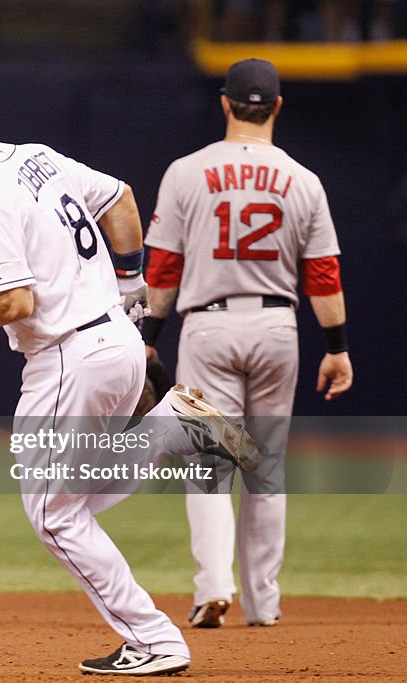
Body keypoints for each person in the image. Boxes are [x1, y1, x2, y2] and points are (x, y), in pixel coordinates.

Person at [0, 67, 261, 676]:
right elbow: (123, 199)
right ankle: (178, 427)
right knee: (69, 502)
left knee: (53, 514)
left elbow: (13, 304)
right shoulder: (34, 156)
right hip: (116, 342)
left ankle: (156, 641)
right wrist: (132, 283)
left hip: (67, 358)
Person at [142, 57, 352, 629]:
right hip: (276, 327)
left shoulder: (186, 171)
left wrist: (149, 337)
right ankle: (265, 603)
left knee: (208, 463)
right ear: (277, 107)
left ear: (225, 104)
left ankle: (213, 586)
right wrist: (337, 347)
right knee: (267, 470)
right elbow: (324, 275)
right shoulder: (303, 179)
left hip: (209, 325)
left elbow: (162, 268)